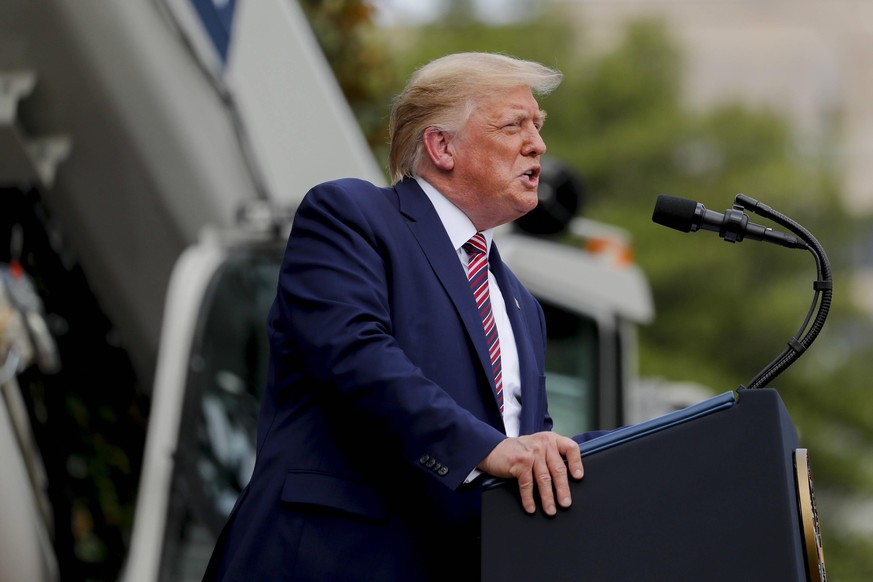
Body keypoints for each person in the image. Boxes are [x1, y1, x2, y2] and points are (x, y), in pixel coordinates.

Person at [204, 52, 602, 581]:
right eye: (514, 125)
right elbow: (357, 359)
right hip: (329, 561)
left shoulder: (521, 306)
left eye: (538, 125)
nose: (538, 144)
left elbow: (524, 447)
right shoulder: (350, 216)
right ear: (441, 146)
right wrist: (489, 449)